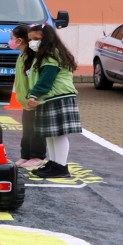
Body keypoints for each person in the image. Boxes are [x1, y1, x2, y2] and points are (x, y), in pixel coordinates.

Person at [26, 24, 81, 178]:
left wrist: (33, 95)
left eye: (37, 39)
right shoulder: (47, 54)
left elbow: (46, 80)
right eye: (31, 40)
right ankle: (54, 163)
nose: (33, 43)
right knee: (50, 134)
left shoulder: (51, 55)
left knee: (59, 134)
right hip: (50, 98)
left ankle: (61, 167)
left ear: (47, 38)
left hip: (58, 97)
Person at [10, 25, 46, 168]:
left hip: (34, 101)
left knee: (36, 130)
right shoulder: (22, 55)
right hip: (26, 101)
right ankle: (25, 155)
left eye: (11, 38)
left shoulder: (33, 58)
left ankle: (38, 156)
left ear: (20, 40)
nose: (10, 41)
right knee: (27, 130)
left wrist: (33, 96)